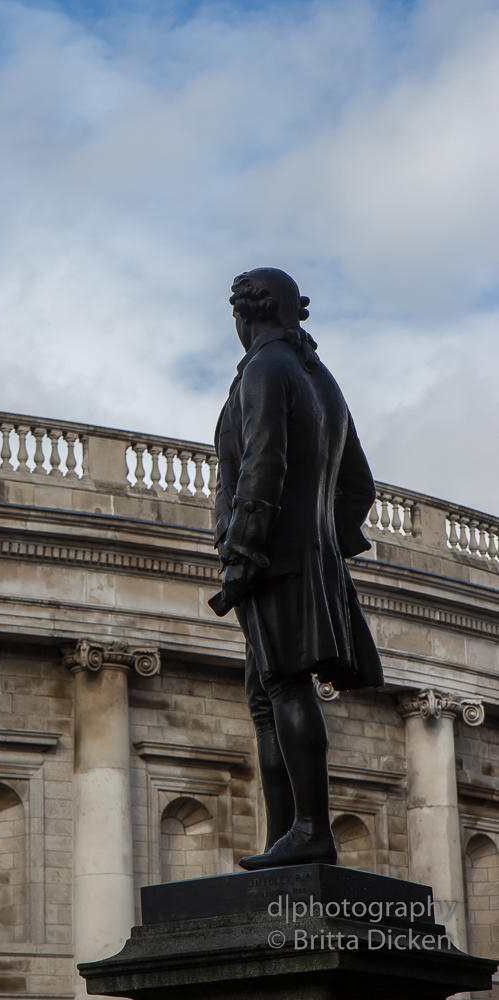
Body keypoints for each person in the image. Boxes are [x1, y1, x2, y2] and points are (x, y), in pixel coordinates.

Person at [209, 267, 384, 870]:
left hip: (273, 555)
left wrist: (247, 549)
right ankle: (286, 836)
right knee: (267, 693)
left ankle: (310, 830)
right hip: (308, 552)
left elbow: (263, 462)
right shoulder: (321, 381)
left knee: (283, 684)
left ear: (247, 315)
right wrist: (322, 543)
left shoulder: (264, 369)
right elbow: (358, 485)